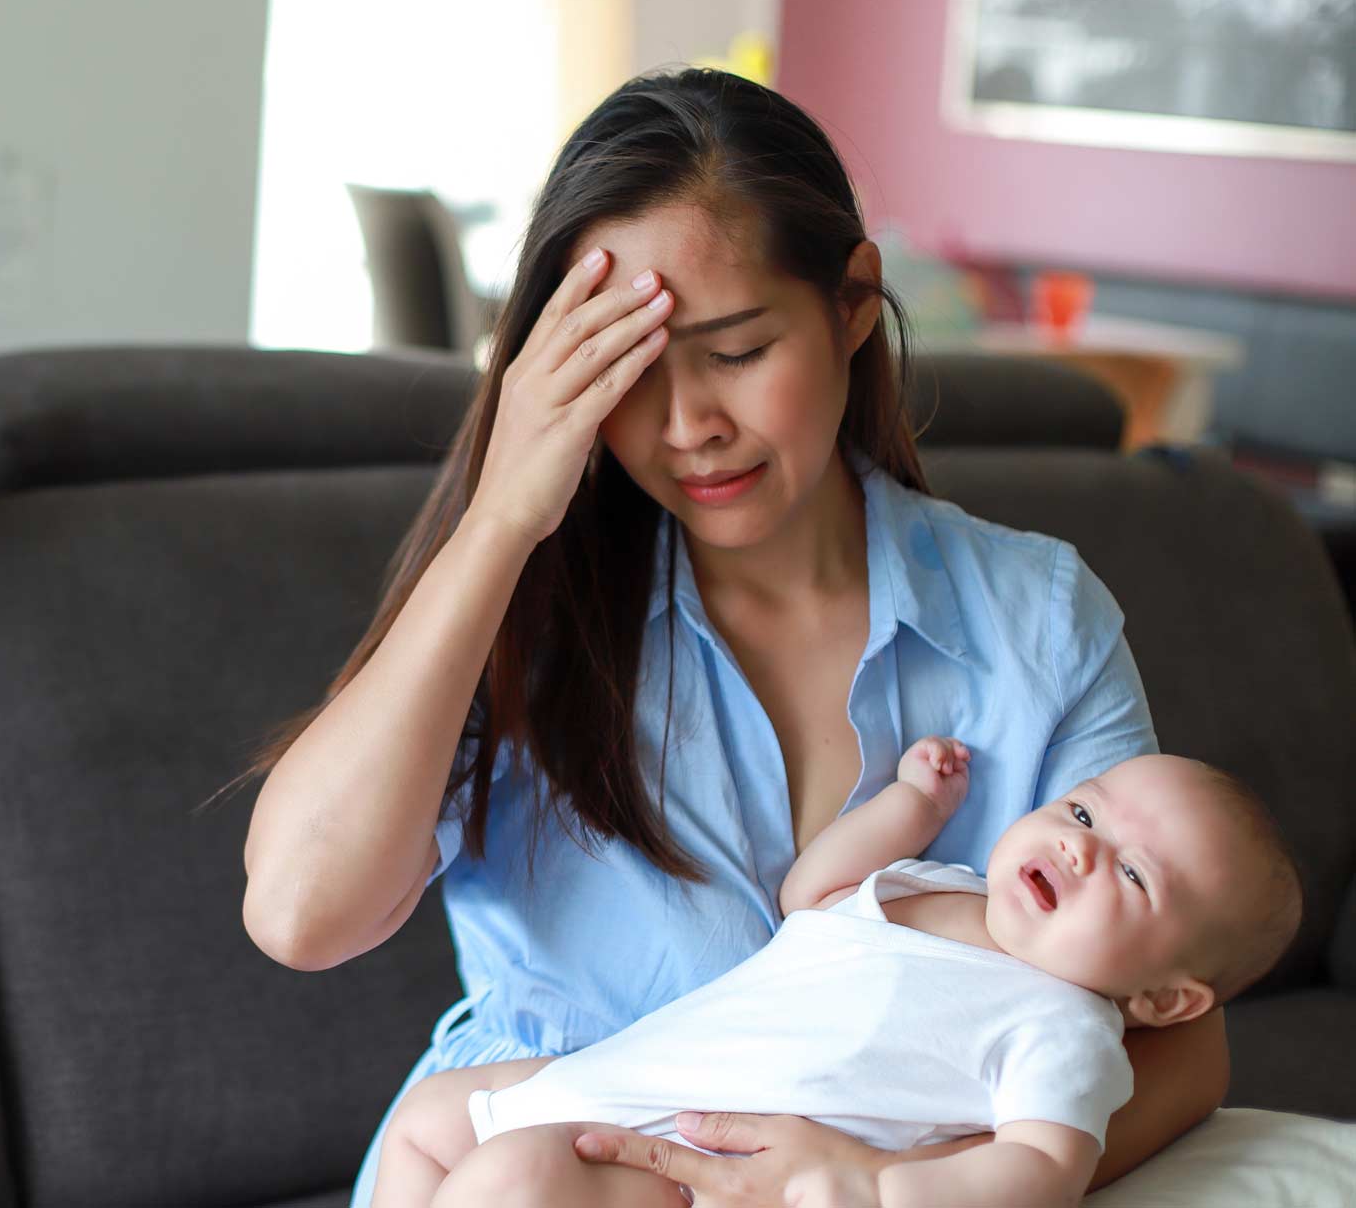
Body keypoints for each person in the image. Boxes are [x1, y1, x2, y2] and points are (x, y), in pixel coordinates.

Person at [240, 66, 1228, 1208]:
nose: (687, 427)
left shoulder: (1034, 617)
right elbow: (301, 914)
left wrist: (879, 1179)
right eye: (628, 371)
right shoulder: (526, 605)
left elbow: (1180, 1040)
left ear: (852, 305)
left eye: (738, 351)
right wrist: (501, 517)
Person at [369, 742, 1303, 1208]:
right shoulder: (938, 882)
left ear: (1165, 998)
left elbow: (1045, 1171)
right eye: (1083, 814)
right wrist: (913, 804)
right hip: (624, 1078)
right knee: (425, 1117)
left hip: (700, 1164)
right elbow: (812, 893)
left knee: (514, 1178)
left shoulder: (1065, 1026)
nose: (1080, 849)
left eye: (1133, 874)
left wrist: (877, 1186)